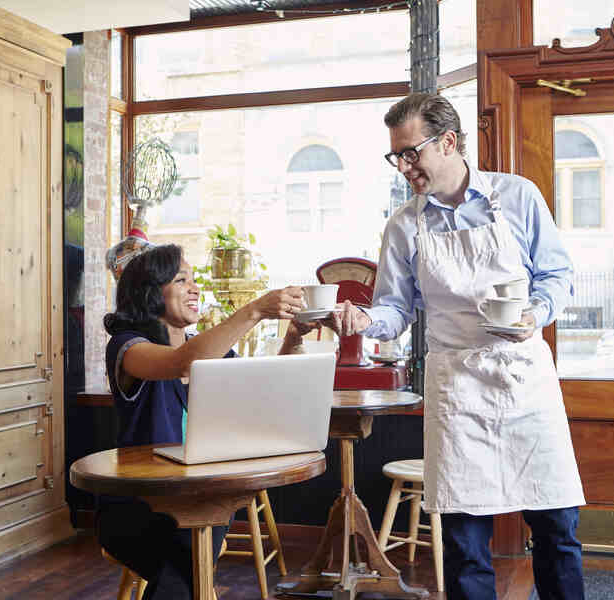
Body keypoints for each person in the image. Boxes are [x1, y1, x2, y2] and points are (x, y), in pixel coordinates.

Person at [326, 93, 586, 599]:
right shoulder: (404, 224)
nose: (403, 166)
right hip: (459, 390)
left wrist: (535, 314)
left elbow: (556, 274)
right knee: (464, 542)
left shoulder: (517, 197)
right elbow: (395, 310)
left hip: (523, 378)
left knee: (557, 527)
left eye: (410, 152)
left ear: (447, 141)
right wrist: (363, 321)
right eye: (396, 155)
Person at [98, 243, 316, 600]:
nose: (195, 287)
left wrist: (292, 339)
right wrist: (257, 309)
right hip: (139, 507)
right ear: (151, 291)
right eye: (182, 279)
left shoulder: (206, 348)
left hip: (197, 500)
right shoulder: (126, 347)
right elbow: (184, 362)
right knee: (190, 565)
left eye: (195, 278)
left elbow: (262, 392)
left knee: (194, 549)